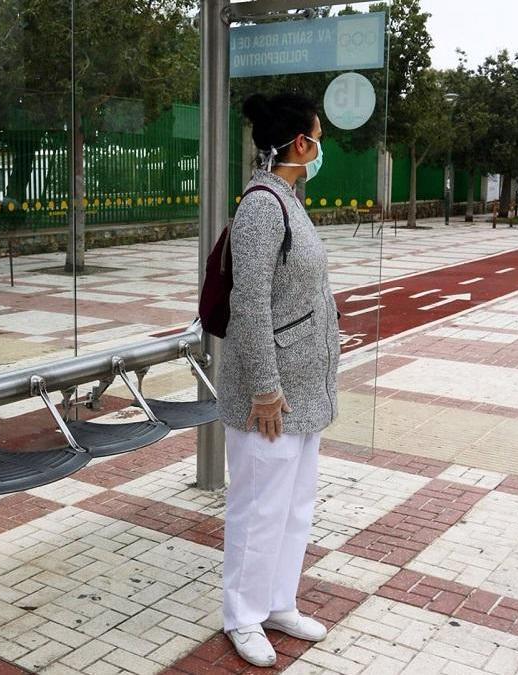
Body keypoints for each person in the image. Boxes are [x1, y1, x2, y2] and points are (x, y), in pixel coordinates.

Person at [218, 92, 341, 667]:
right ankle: (242, 617)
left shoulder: (290, 200)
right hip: (270, 397)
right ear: (300, 143)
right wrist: (266, 388)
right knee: (258, 508)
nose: (321, 149)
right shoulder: (263, 206)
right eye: (318, 137)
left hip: (304, 393)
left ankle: (277, 602)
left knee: (293, 508)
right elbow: (250, 306)